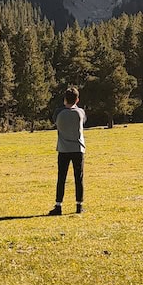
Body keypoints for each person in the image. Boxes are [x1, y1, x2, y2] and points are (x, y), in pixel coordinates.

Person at [48, 86, 86, 215]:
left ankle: (58, 206)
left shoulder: (59, 113)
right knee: (78, 178)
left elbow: (55, 121)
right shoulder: (80, 112)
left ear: (65, 100)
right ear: (77, 100)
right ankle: (79, 206)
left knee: (61, 177)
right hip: (78, 149)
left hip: (63, 149)